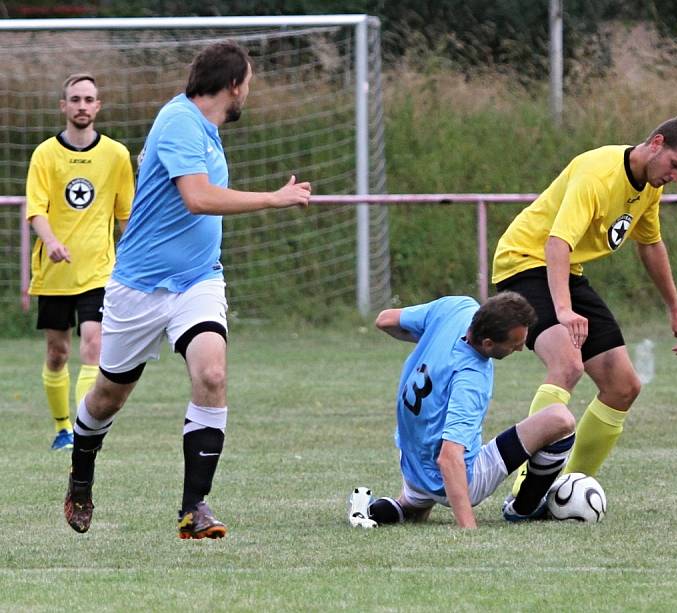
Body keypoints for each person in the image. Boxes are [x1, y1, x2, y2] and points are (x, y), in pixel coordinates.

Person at [62, 41, 312, 539]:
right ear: (233, 84)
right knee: (108, 395)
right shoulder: (179, 120)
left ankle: (193, 509)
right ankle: (81, 472)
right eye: (250, 84)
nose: (249, 94)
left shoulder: (204, 130)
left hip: (197, 279)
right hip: (139, 286)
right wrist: (273, 198)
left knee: (212, 373)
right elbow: (196, 198)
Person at [492, 114, 677, 509]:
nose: (676, 176)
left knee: (624, 386)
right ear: (656, 143)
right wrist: (563, 311)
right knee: (567, 364)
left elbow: (651, 244)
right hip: (524, 261)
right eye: (675, 165)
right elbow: (557, 242)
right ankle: (526, 491)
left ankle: (565, 486)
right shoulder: (598, 172)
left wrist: (675, 309)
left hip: (565, 270)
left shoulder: (648, 187)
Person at [348, 292, 576, 529]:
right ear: (488, 344)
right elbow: (449, 458)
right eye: (514, 345)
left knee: (414, 510)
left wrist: (433, 343)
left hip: (412, 465)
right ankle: (523, 508)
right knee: (561, 419)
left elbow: (385, 320)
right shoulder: (471, 379)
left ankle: (397, 507)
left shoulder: (457, 307)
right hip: (456, 479)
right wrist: (469, 529)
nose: (519, 350)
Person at [26, 73, 134, 452]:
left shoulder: (116, 155)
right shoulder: (45, 154)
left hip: (98, 271)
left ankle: (84, 433)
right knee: (58, 353)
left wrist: (136, 260)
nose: (82, 106)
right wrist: (52, 241)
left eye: (89, 99)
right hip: (55, 273)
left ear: (98, 106)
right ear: (64, 106)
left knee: (94, 345)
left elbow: (126, 216)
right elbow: (35, 210)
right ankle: (61, 427)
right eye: (75, 99)